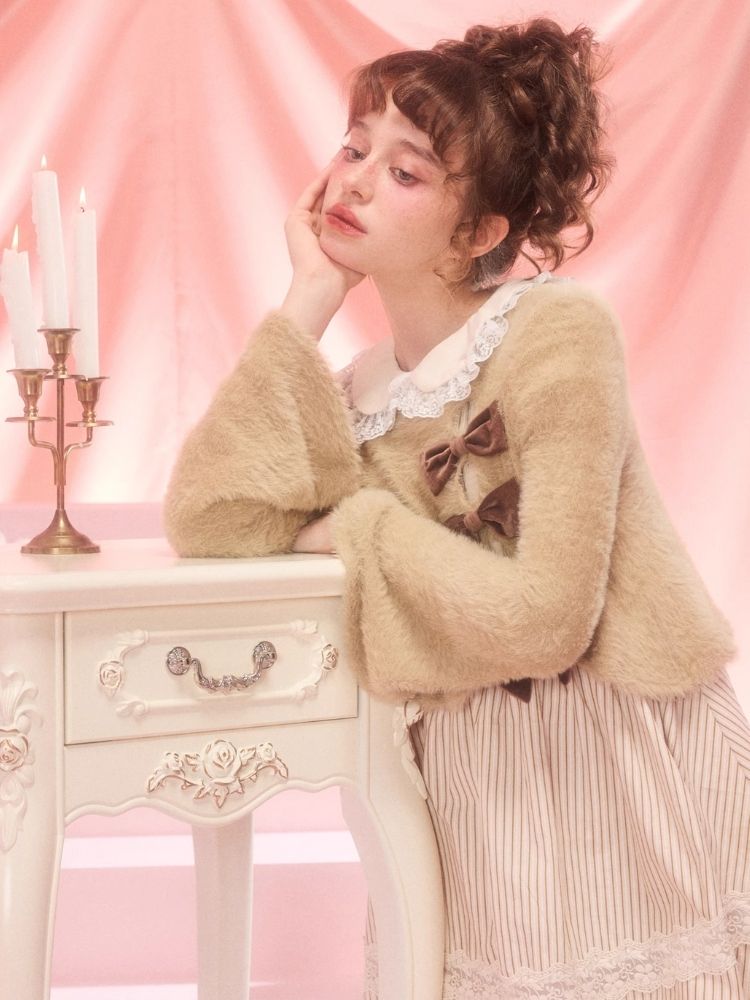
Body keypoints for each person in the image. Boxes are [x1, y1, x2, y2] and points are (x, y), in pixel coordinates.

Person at [163, 17, 750, 998]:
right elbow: (211, 522)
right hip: (467, 777)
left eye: (405, 171)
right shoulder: (353, 393)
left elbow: (549, 617)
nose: (353, 182)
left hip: (614, 752)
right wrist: (307, 299)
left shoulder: (558, 329)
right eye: (353, 148)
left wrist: (361, 530)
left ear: (479, 232)